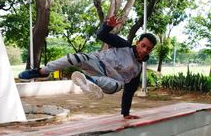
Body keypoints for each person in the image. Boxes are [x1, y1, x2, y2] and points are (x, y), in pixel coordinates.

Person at [18, 16, 157, 119]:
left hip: (109, 80)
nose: (144, 50)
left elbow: (129, 92)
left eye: (148, 49)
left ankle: (90, 82)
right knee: (75, 57)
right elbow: (102, 35)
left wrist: (125, 114)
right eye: (143, 46)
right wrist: (107, 26)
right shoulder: (123, 45)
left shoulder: (138, 69)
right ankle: (41, 72)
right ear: (137, 42)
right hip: (97, 62)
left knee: (119, 85)